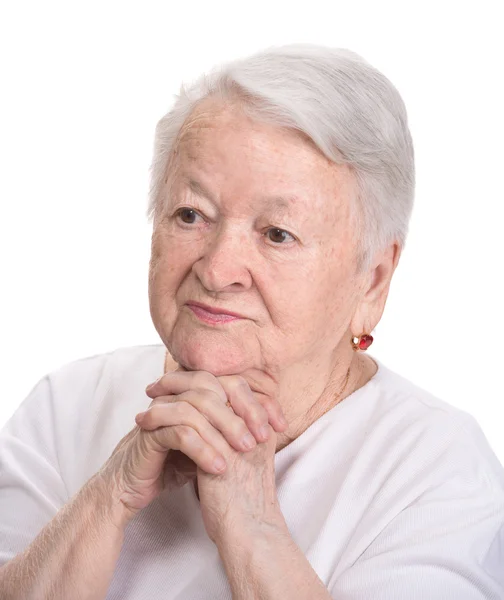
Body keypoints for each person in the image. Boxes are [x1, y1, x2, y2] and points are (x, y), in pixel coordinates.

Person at [0, 43, 503, 600]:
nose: (216, 270)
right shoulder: (65, 405)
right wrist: (107, 498)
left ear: (373, 281)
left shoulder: (438, 470)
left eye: (277, 234)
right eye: (191, 215)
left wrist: (253, 529)